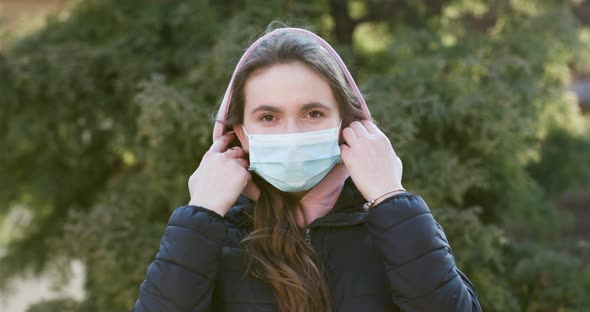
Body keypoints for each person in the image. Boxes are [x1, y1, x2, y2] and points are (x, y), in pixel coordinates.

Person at [132, 26, 482, 312]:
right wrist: (202, 212)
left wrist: (390, 196)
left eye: (313, 114)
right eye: (268, 117)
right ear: (240, 134)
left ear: (348, 123)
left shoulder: (392, 226)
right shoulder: (213, 235)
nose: (292, 135)